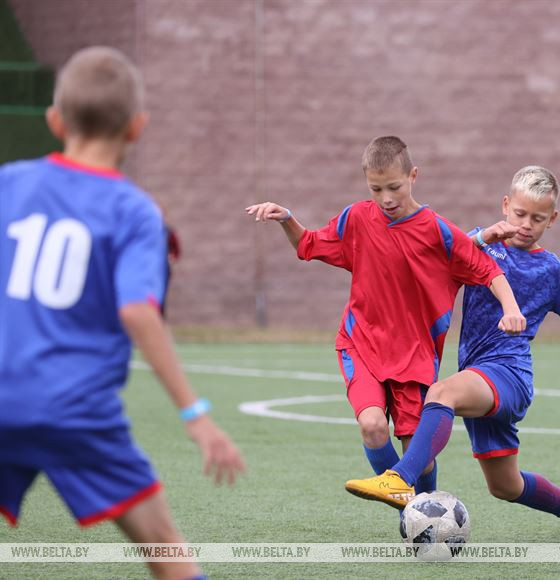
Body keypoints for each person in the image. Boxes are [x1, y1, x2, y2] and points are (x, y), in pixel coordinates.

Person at [0, 47, 245, 580]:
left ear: (55, 120)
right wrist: (196, 416)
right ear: (137, 128)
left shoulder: (9, 183)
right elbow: (137, 311)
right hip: (75, 410)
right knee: (165, 547)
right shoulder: (135, 210)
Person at [345, 166, 560, 541]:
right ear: (505, 205)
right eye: (520, 214)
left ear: (552, 219)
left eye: (538, 218)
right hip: (478, 377)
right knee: (506, 486)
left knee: (441, 394)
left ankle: (400, 479)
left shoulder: (551, 270)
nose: (526, 225)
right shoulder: (480, 244)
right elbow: (436, 255)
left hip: (509, 374)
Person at [245, 136, 526, 496]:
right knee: (372, 425)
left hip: (415, 355)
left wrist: (511, 308)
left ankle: (423, 506)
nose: (386, 198)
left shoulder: (437, 230)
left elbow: (488, 269)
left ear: (413, 176)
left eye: (394, 187)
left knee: (421, 460)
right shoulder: (356, 218)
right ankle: (411, 506)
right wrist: (288, 218)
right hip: (361, 344)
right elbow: (308, 244)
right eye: (376, 189)